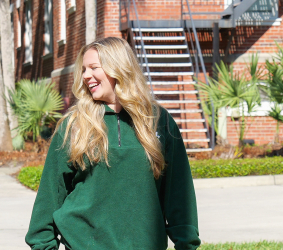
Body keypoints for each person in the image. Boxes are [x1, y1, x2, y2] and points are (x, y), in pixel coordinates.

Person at [25, 37, 201, 250]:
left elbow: (178, 193)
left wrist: (187, 243)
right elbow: (50, 195)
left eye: (93, 68)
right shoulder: (73, 125)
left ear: (118, 68)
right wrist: (43, 245)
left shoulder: (159, 121)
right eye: (83, 70)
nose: (86, 76)